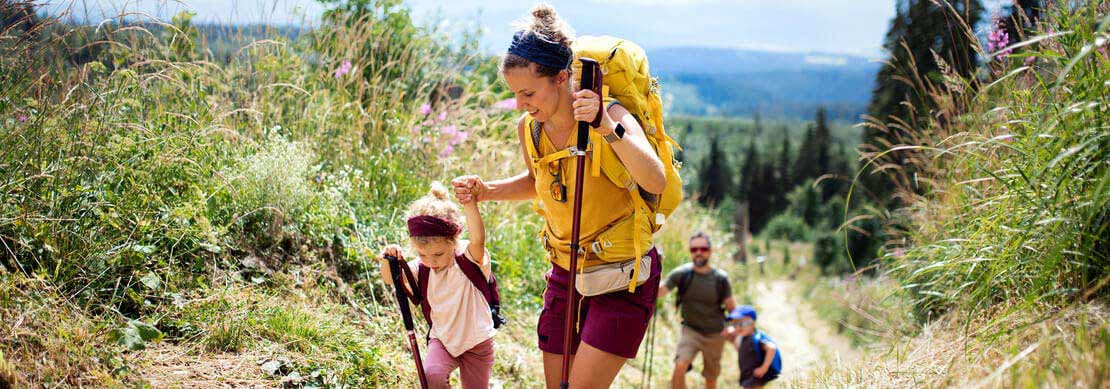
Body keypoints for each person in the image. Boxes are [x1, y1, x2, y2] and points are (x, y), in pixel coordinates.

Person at [450, 3, 668, 387]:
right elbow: (541, 181)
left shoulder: (609, 115)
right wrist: (487, 192)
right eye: (515, 94)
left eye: (528, 92)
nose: (520, 103)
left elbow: (655, 180)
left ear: (562, 77)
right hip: (566, 271)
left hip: (621, 274)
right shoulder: (530, 128)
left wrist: (603, 124)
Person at [379, 183, 496, 389]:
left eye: (438, 254)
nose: (431, 261)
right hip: (443, 339)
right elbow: (390, 279)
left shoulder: (468, 259)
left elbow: (478, 240)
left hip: (477, 342)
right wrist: (388, 259)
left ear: (454, 241)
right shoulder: (423, 268)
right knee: (431, 375)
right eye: (423, 255)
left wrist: (470, 204)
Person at [658, 232, 738, 389]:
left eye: (703, 249)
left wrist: (737, 332)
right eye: (694, 249)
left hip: (715, 334)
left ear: (710, 251)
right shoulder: (682, 274)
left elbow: (732, 309)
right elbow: (659, 293)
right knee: (680, 365)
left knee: (711, 377)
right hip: (690, 331)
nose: (699, 253)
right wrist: (655, 267)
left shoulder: (720, 278)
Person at [724, 306, 781, 388]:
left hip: (755, 376)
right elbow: (742, 352)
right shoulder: (742, 338)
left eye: (742, 323)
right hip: (747, 376)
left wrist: (764, 368)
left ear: (753, 323)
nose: (739, 327)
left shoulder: (756, 338)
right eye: (735, 324)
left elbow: (771, 348)